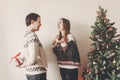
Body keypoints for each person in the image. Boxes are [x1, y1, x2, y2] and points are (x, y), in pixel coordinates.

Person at [18, 13, 48, 80]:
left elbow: (23, 53)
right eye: (39, 22)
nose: (41, 24)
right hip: (37, 74)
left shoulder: (26, 36)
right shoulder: (33, 36)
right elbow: (33, 57)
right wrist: (24, 64)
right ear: (32, 22)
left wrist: (19, 61)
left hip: (30, 73)